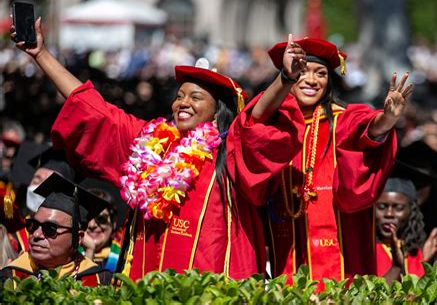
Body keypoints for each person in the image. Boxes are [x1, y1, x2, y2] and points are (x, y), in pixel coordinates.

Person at [10, 18, 298, 280]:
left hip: (209, 290)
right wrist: (41, 55)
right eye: (179, 96)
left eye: (196, 97)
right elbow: (93, 109)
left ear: (216, 111)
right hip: (145, 287)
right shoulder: (148, 144)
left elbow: (255, 119)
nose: (183, 103)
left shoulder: (231, 149)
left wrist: (283, 79)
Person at [228, 35, 411, 286]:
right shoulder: (276, 126)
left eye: (321, 73)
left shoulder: (341, 121)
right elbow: (253, 123)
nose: (312, 80)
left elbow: (367, 131)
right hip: (287, 245)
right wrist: (286, 75)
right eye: (303, 72)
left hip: (339, 255)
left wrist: (388, 119)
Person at [0, 172, 111, 286]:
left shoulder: (101, 281)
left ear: (78, 238)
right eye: (33, 225)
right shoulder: (9, 278)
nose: (36, 234)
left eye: (50, 228)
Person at [374, 161, 437, 283]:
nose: (389, 214)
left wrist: (426, 264)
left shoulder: (418, 252)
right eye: (382, 206)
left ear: (412, 211)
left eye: (398, 207)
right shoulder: (362, 252)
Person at [79, 179, 124, 273]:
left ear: (113, 223)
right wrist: (89, 251)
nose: (92, 225)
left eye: (101, 219)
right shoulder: (67, 257)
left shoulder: (124, 260)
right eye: (87, 218)